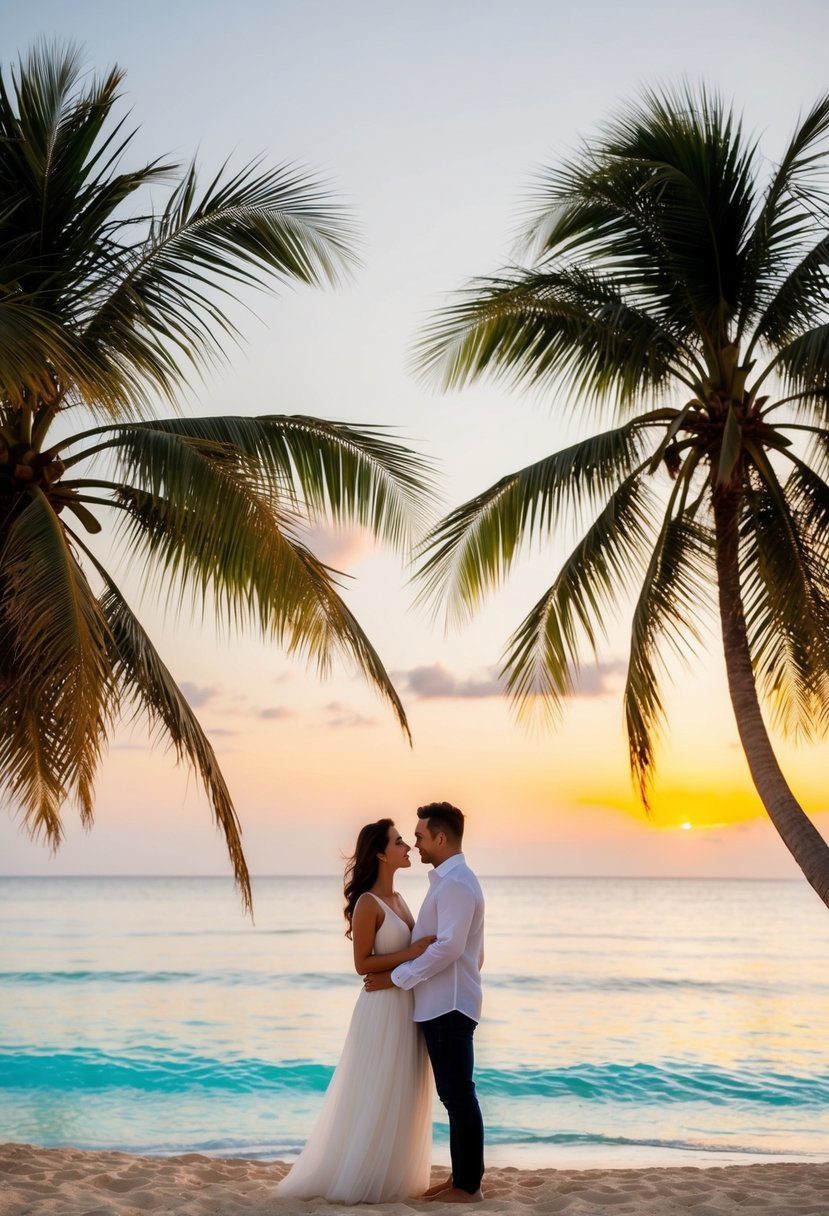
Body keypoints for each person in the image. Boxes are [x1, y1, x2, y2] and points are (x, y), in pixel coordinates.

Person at [276, 818, 435, 1203]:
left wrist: (406, 967)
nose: (408, 847)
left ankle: (392, 1175)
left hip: (403, 1003)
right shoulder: (368, 903)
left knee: (402, 1090)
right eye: (399, 842)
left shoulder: (400, 900)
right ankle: (360, 1177)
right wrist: (411, 953)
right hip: (380, 1009)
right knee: (376, 1090)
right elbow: (363, 964)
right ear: (381, 854)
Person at [364, 801, 485, 1203]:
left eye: (419, 836)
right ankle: (458, 1181)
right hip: (441, 1002)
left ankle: (468, 1187)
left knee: (457, 1094)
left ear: (441, 837)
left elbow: (450, 947)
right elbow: (470, 952)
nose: (415, 844)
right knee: (453, 1095)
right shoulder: (448, 883)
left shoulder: (456, 884)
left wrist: (398, 978)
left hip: (449, 1006)